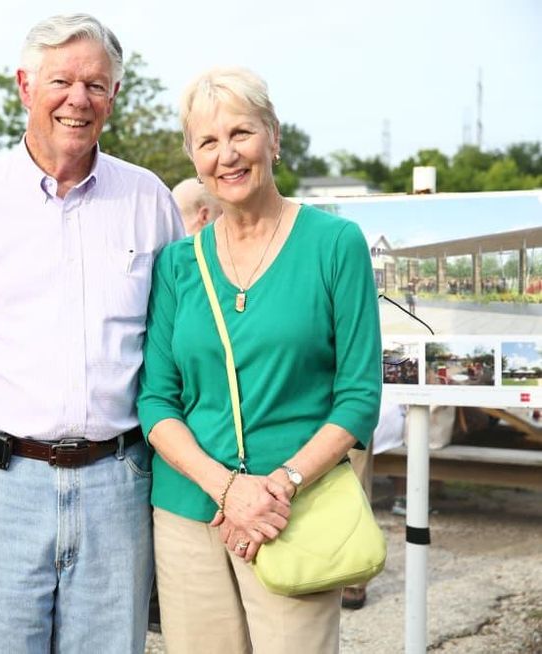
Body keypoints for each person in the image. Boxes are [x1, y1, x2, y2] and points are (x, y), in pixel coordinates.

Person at [0, 14, 183, 652]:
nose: (78, 99)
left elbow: (177, 345)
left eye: (96, 84)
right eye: (60, 80)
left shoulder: (149, 201)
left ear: (114, 98)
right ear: (24, 86)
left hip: (117, 484)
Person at [137, 66, 381, 653]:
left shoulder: (334, 244)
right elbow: (156, 400)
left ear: (273, 136)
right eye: (208, 141)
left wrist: (280, 485)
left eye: (241, 133)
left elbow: (359, 397)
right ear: (193, 157)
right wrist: (226, 489)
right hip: (188, 510)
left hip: (292, 510)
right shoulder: (176, 264)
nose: (227, 154)